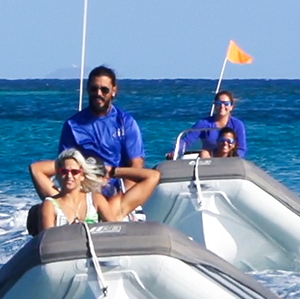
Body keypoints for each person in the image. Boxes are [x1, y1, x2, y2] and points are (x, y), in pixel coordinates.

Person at [30, 65, 145, 199]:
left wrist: (121, 199)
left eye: (104, 90)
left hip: (117, 191)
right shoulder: (73, 125)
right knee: (36, 169)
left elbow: (136, 166)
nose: (99, 94)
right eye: (94, 89)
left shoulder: (126, 123)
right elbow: (66, 164)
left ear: (114, 91)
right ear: (88, 90)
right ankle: (62, 208)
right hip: (86, 192)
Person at [35, 149, 160, 231]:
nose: (69, 176)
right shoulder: (52, 203)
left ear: (83, 175)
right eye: (64, 172)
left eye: (75, 172)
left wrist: (113, 171)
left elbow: (153, 176)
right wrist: (67, 162)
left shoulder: (101, 201)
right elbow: (36, 168)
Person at [171, 90, 248, 159]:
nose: (222, 106)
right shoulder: (203, 124)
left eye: (226, 104)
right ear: (214, 105)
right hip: (209, 162)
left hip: (230, 160)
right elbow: (187, 141)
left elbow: (241, 149)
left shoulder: (237, 125)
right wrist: (174, 152)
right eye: (219, 103)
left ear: (231, 107)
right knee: (203, 154)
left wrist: (234, 159)